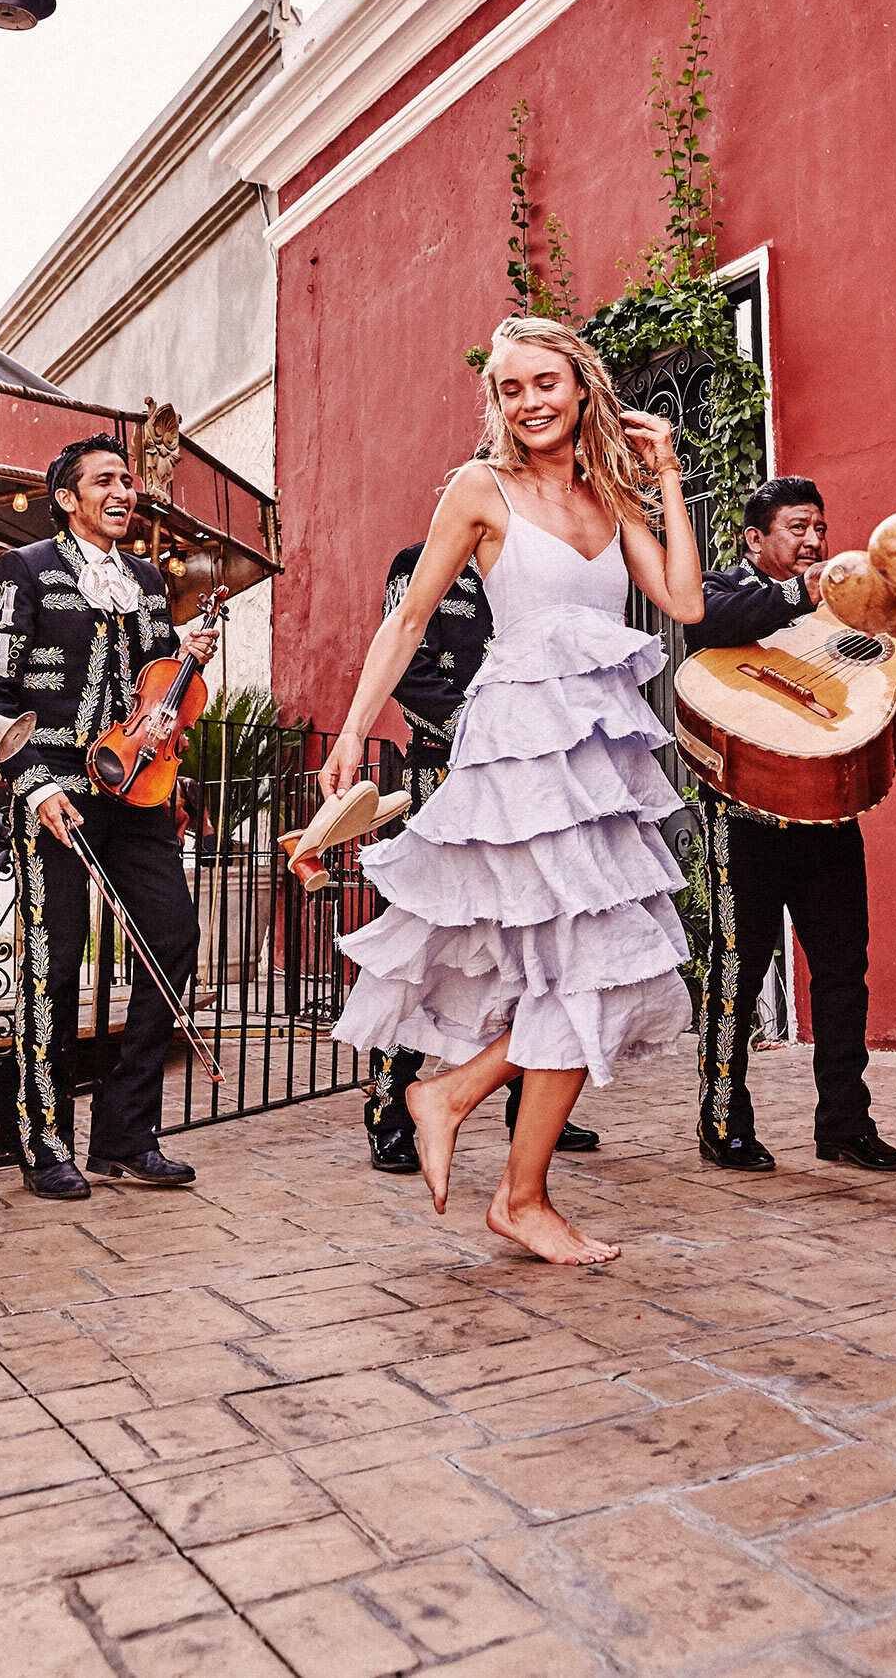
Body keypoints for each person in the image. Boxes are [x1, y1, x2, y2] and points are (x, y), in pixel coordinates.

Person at [321, 315, 703, 1265]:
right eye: (509, 387)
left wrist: (665, 475)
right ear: (495, 400)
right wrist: (354, 728)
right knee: (588, 962)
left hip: (600, 759)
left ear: (581, 387)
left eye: (545, 382)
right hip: (523, 751)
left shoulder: (611, 492)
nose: (530, 402)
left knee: (596, 965)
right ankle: (515, 1188)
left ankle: (461, 1110)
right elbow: (410, 618)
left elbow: (684, 601)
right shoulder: (479, 488)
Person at [0, 436, 218, 1201]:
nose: (122, 491)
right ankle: (44, 1139)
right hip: (57, 795)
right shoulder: (22, 570)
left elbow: (154, 689)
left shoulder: (146, 580)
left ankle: (125, 1132)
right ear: (67, 498)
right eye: (104, 480)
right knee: (55, 962)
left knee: (173, 936)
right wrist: (35, 786)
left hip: (139, 794)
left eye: (127, 480)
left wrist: (185, 657)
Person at [685, 476, 896, 1176]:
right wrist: (800, 591)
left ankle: (845, 1124)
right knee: (738, 971)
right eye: (797, 528)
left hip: (827, 813)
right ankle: (723, 1122)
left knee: (844, 973)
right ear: (755, 539)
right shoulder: (720, 588)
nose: (814, 540)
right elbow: (706, 626)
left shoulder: (847, 604)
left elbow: (885, 669)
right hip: (744, 820)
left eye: (820, 527)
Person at [363, 542, 600, 1171]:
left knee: (529, 940)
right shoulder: (420, 563)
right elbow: (408, 669)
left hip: (529, 782)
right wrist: (486, 728)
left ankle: (533, 1110)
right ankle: (389, 1110)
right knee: (423, 945)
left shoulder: (529, 565)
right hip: (446, 776)